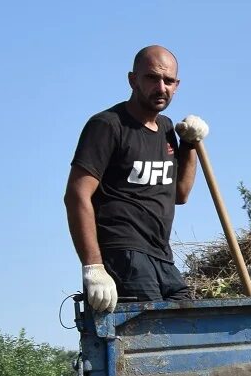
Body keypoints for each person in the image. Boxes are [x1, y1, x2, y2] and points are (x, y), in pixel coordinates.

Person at [64, 45, 197, 312]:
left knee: (186, 323)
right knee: (151, 341)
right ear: (132, 79)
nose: (161, 87)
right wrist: (93, 267)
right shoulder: (108, 125)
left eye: (169, 81)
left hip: (161, 256)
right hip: (122, 254)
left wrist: (190, 145)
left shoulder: (168, 129)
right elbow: (76, 194)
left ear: (177, 85)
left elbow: (180, 194)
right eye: (152, 78)